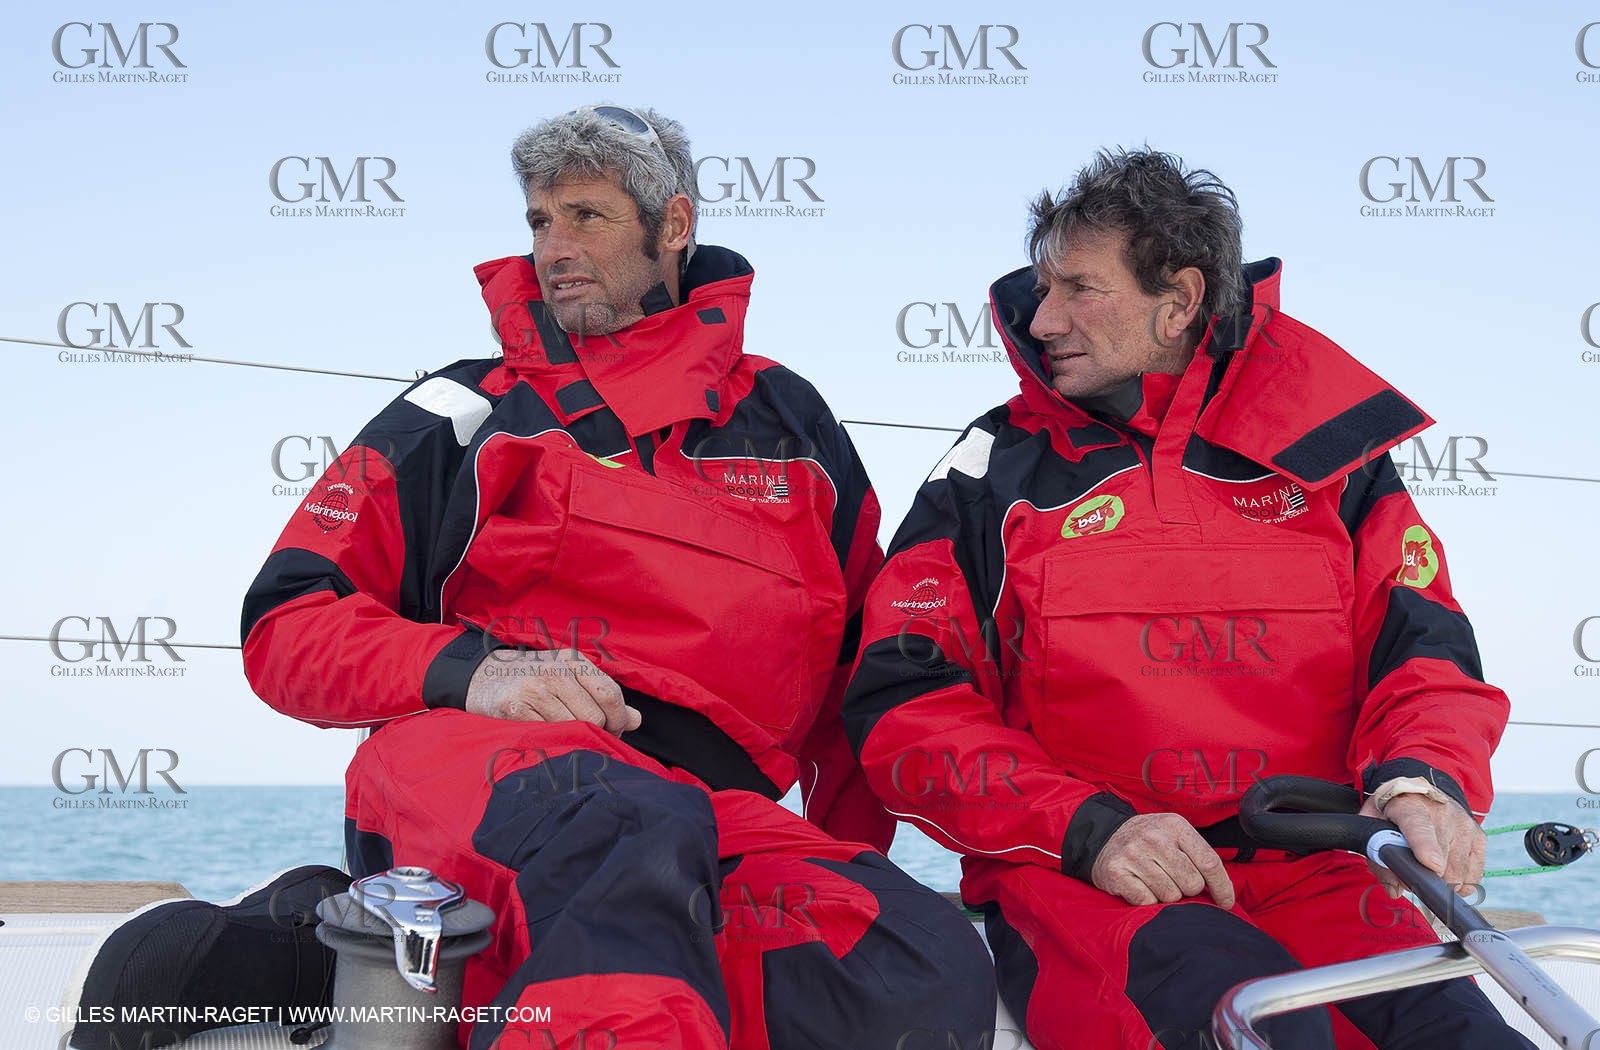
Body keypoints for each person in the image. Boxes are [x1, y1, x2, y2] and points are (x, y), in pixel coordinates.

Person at [230, 105, 994, 1049]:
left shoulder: (795, 427)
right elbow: (286, 625)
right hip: (486, 764)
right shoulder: (466, 410)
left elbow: (858, 679)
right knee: (633, 837)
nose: (554, 246)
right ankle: (328, 943)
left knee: (909, 961)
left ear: (672, 228)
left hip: (716, 817)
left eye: (586, 217)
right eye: (539, 221)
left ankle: (326, 950)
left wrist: (839, 862)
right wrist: (473, 671)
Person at [841, 148, 1533, 1050]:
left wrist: (1425, 781)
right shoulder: (992, 473)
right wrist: (1088, 830)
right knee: (1257, 1026)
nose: (1040, 317)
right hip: (1093, 883)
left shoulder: (1332, 456)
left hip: (1321, 875)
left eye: (1078, 288)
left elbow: (1425, 652)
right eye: (1042, 288)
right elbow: (904, 702)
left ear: (1178, 300)